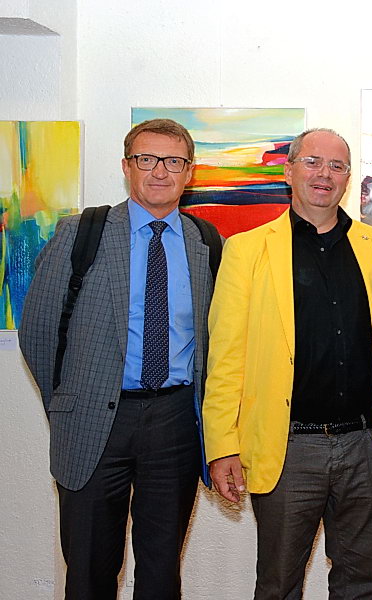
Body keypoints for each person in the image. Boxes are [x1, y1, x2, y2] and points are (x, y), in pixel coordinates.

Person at [19, 118, 217, 599]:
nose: (160, 172)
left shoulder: (206, 243)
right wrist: (69, 404)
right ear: (127, 166)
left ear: (189, 172)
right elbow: (38, 333)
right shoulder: (80, 233)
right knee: (88, 569)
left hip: (175, 423)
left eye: (173, 161)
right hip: (93, 422)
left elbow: (216, 340)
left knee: (161, 571)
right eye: (147, 159)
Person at [202, 128, 372, 599]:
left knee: (364, 585)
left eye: (337, 166)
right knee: (278, 586)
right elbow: (225, 357)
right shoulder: (246, 250)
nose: (324, 174)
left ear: (348, 177)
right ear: (288, 171)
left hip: (367, 447)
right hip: (287, 448)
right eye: (312, 162)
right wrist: (222, 445)